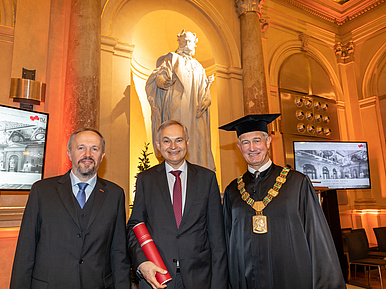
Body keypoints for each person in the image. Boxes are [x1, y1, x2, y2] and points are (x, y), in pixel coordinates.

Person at [219, 114, 346, 289]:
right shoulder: (232, 191)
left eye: (257, 140)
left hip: (291, 277)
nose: (252, 148)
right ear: (239, 146)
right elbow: (227, 242)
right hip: (247, 280)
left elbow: (317, 238)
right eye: (245, 143)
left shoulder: (297, 183)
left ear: (268, 142)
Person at [10, 128, 130, 289]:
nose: (88, 154)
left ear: (102, 156)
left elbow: (119, 251)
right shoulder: (42, 191)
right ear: (69, 153)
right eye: (81, 148)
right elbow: (26, 249)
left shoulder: (115, 194)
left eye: (94, 149)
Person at [127, 120, 228, 289]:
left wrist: (218, 284)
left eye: (179, 140)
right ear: (159, 145)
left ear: (187, 142)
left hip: (199, 278)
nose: (173, 146)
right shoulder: (146, 180)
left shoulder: (207, 178)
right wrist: (142, 262)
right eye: (166, 141)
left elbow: (217, 237)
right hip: (158, 277)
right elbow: (134, 226)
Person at [146, 30, 215, 171]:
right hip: (176, 106)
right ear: (180, 42)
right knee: (175, 135)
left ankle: (197, 171)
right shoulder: (172, 59)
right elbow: (158, 75)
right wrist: (163, 82)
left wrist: (206, 100)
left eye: (190, 41)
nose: (187, 44)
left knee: (197, 140)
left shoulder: (199, 67)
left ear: (195, 43)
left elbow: (204, 91)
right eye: (185, 41)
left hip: (195, 112)